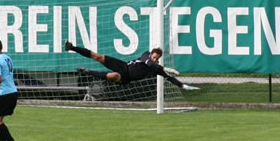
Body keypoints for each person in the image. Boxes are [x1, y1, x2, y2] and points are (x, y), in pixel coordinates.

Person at [64, 40, 199, 90]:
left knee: (113, 76)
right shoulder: (146, 55)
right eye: (154, 56)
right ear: (151, 53)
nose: (154, 58)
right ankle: (72, 47)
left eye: (157, 58)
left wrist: (183, 85)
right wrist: (164, 68)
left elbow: (169, 77)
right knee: (98, 56)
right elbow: (148, 62)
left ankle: (87, 71)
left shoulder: (156, 67)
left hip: (126, 77)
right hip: (123, 65)